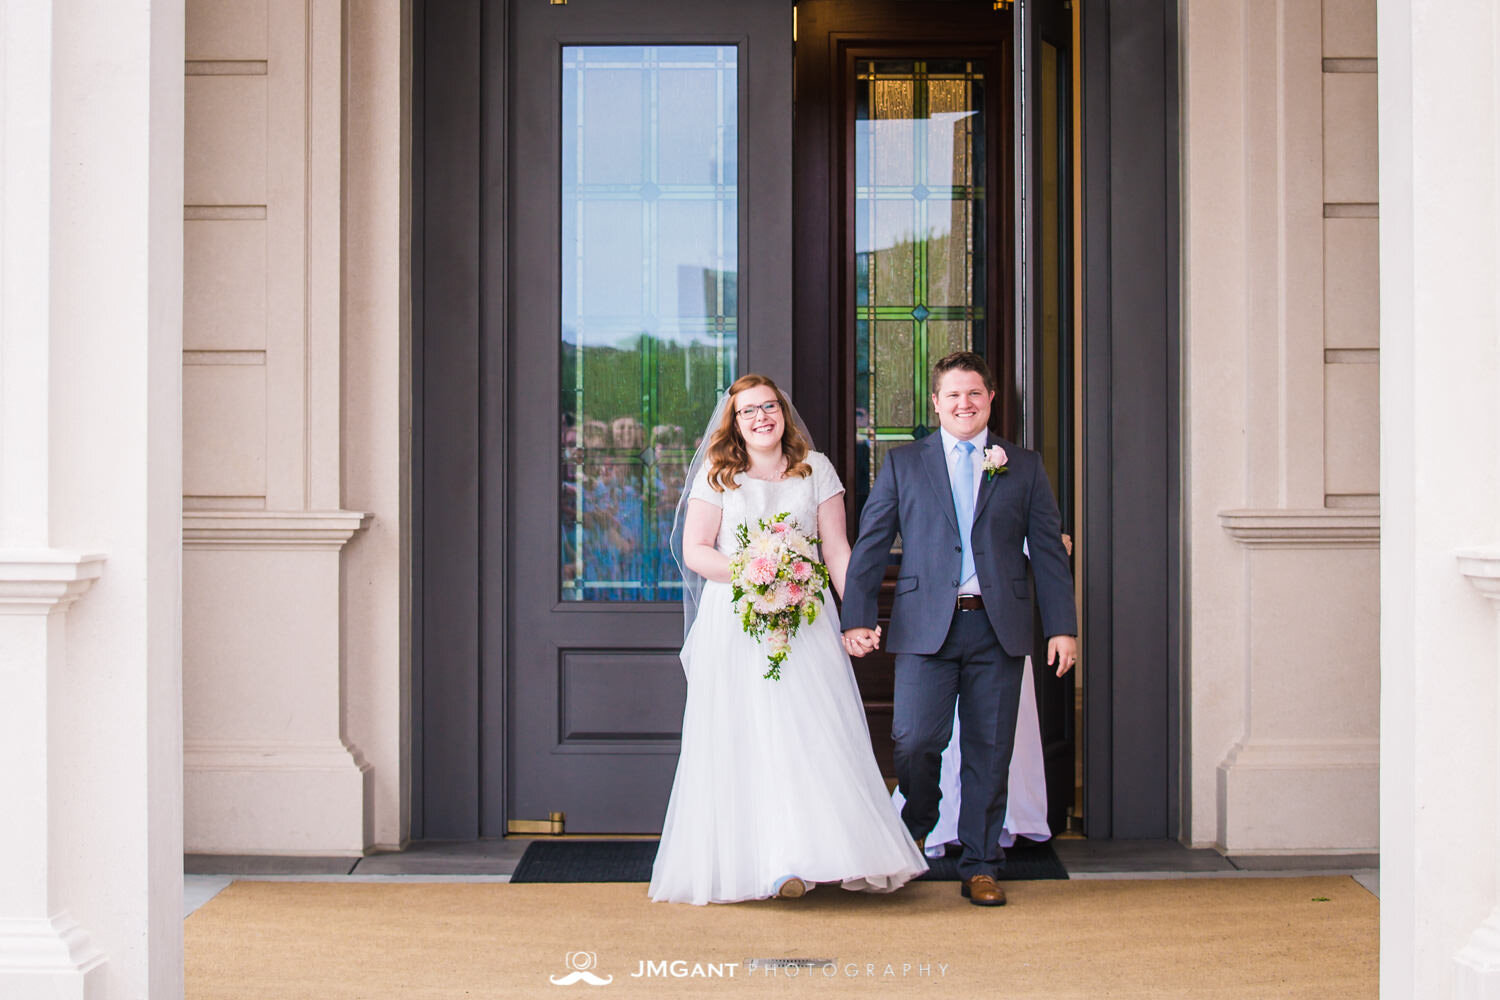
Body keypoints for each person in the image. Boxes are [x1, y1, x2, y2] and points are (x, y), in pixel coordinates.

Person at [649, 374, 929, 905]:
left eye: (769, 407)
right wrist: (754, 572)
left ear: (783, 413)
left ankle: (819, 853)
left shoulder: (815, 469)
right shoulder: (719, 475)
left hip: (805, 619)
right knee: (747, 736)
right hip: (737, 622)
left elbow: (839, 552)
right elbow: (696, 551)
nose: (761, 417)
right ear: (734, 423)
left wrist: (859, 615)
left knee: (814, 732)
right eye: (749, 411)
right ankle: (768, 864)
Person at [843, 351, 1078, 907]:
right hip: (926, 630)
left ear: (991, 399)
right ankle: (919, 819)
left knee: (989, 752)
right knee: (915, 740)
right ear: (936, 403)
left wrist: (1062, 628)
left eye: (974, 393)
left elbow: (1047, 551)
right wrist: (856, 617)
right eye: (953, 395)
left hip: (998, 628)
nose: (964, 404)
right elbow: (872, 545)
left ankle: (980, 863)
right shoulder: (904, 464)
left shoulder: (1023, 465)